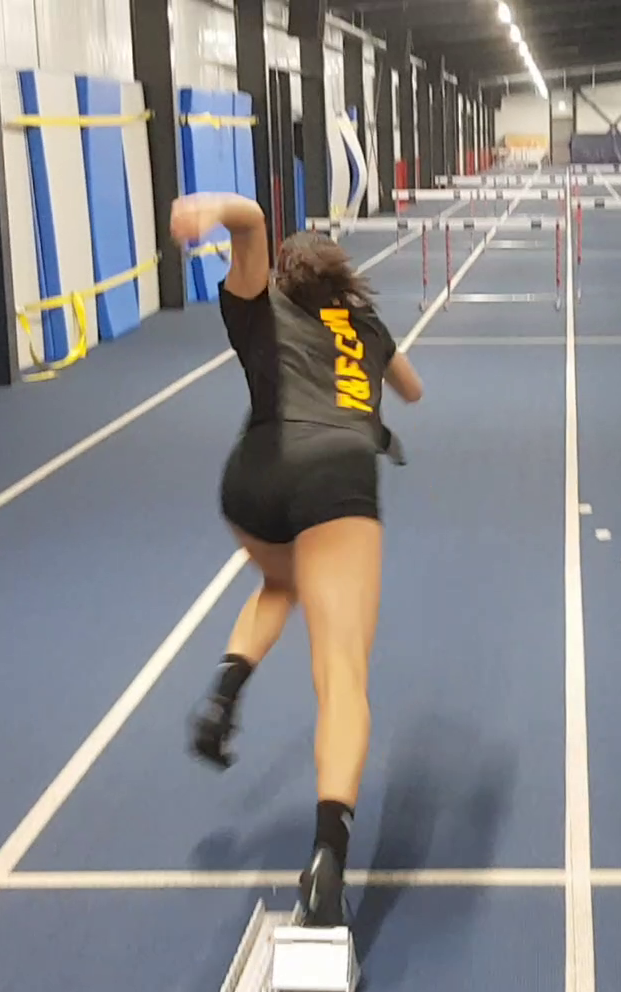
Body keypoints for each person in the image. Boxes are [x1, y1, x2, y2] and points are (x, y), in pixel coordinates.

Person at [169, 192, 423, 928]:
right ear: (342, 281)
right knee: (341, 673)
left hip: (253, 478)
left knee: (283, 578)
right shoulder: (364, 322)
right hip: (336, 476)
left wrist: (208, 210)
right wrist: (371, 358)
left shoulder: (258, 305)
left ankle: (226, 685)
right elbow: (412, 388)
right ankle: (327, 863)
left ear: (283, 276)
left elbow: (247, 221)